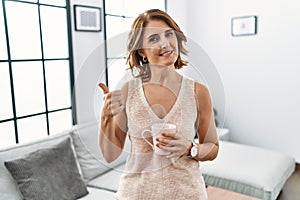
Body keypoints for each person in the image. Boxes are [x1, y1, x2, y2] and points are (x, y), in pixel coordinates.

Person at [98, 9, 219, 200]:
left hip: (187, 193)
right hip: (135, 194)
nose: (165, 43)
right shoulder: (128, 91)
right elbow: (110, 155)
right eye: (153, 39)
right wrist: (105, 116)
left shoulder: (198, 92)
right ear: (141, 51)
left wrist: (190, 148)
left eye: (169, 34)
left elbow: (212, 147)